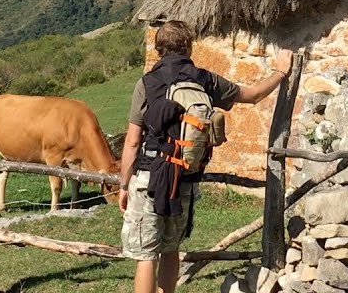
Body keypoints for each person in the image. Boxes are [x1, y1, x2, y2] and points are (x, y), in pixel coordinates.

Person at [119, 20, 294, 293]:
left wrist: (122, 185)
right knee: (170, 250)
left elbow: (131, 142)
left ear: (158, 49)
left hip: (149, 177)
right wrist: (280, 72)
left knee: (145, 256)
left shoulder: (147, 84)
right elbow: (254, 95)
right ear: (189, 47)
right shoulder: (206, 80)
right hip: (184, 179)